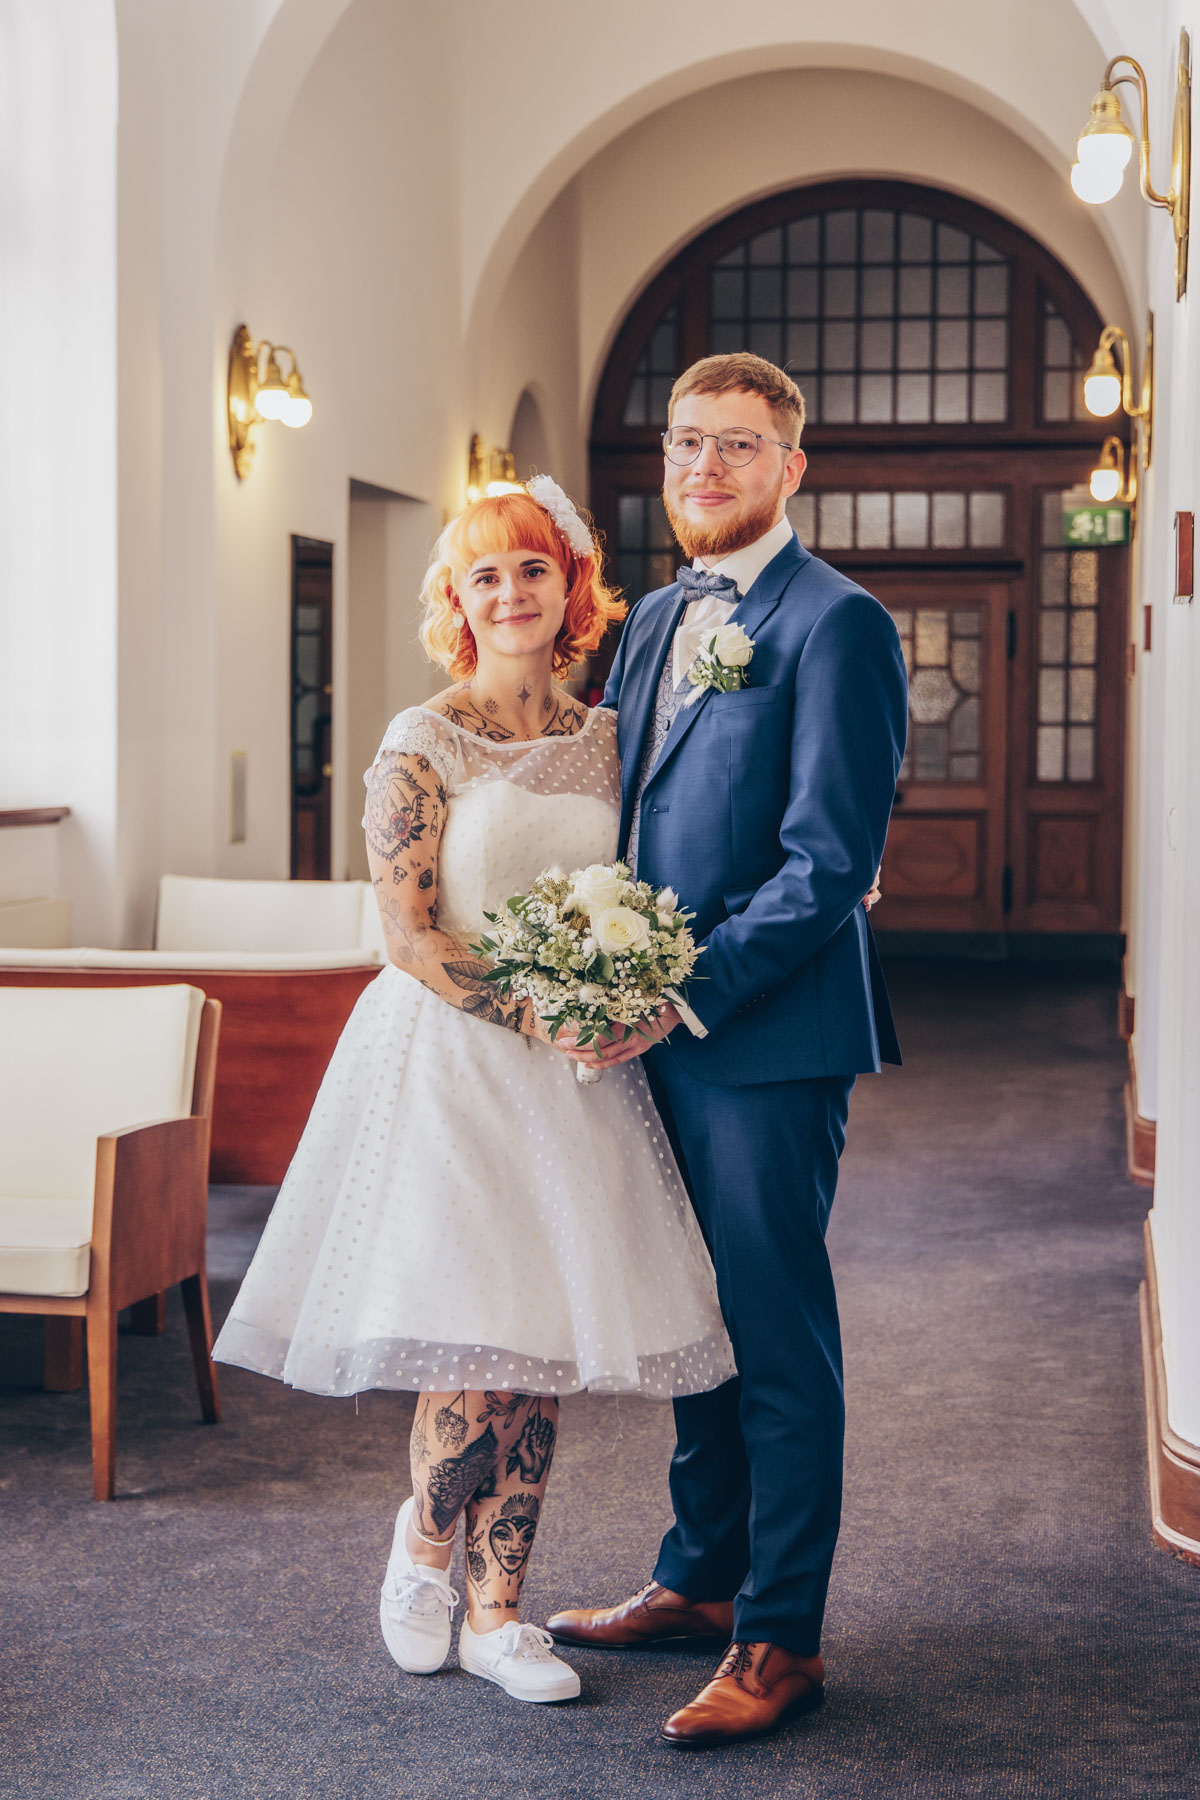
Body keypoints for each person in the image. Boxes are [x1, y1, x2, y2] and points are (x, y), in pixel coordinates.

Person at [213, 479, 737, 1706]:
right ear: (457, 597)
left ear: (571, 590)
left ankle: (503, 1614)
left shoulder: (608, 738)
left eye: (533, 571)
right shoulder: (422, 735)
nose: (511, 593)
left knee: (539, 1337)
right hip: (451, 1057)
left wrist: (611, 990)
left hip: (574, 1076)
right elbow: (407, 929)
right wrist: (530, 1007)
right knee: (474, 1338)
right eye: (485, 575)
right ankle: (426, 1545)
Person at [546, 352, 909, 1749]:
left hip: (762, 1038)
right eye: (690, 442)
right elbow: (622, 814)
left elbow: (828, 866)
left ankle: (781, 1636)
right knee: (691, 1321)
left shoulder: (839, 625)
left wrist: (678, 995)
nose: (708, 466)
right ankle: (698, 1582)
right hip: (646, 1026)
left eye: (740, 446)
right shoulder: (651, 621)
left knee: (773, 1331)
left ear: (790, 468)